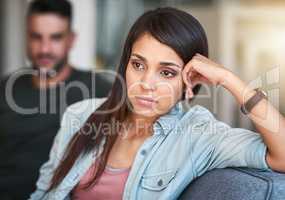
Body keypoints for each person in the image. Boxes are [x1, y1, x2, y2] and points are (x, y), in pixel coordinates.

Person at [30, 7, 285, 200]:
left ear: (190, 79)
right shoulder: (80, 114)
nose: (146, 83)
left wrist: (230, 79)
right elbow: (44, 191)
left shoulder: (196, 135)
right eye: (138, 65)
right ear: (125, 64)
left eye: (167, 72)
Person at [0, 0, 112, 199]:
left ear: (71, 40)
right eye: (36, 37)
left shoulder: (100, 91)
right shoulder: (6, 87)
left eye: (55, 38)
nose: (44, 49)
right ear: (26, 37)